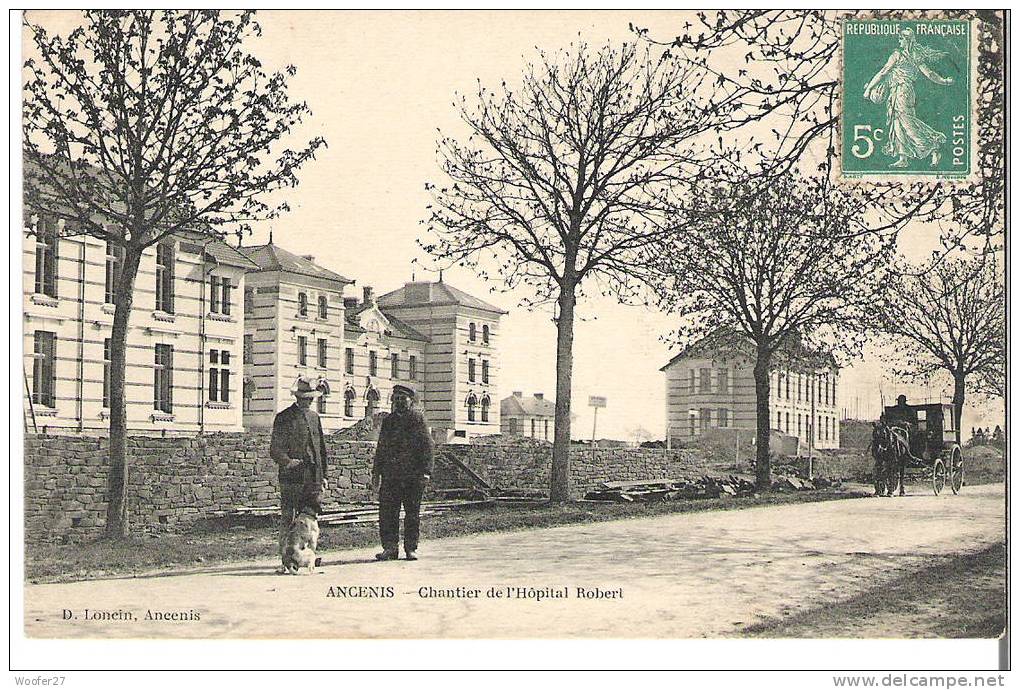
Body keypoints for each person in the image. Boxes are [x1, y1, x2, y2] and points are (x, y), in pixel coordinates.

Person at [863, 28, 954, 168]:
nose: (899, 41)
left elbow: (883, 72)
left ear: (907, 40)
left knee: (907, 123)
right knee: (897, 122)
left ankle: (933, 147)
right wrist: (944, 81)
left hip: (901, 91)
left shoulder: (897, 55)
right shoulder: (915, 55)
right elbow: (929, 74)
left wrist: (869, 89)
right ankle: (903, 157)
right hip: (903, 91)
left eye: (901, 38)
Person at [270, 376, 329, 573]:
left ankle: (308, 555)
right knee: (289, 517)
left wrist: (324, 475)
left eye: (311, 398)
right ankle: (286, 560)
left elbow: (321, 449)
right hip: (292, 478)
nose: (308, 401)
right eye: (305, 398)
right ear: (297, 397)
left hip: (313, 477)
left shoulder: (314, 418)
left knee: (310, 519)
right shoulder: (284, 418)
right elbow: (275, 449)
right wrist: (287, 462)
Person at [372, 384, 434, 561]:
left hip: (413, 477)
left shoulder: (417, 419)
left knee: (412, 513)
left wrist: (426, 472)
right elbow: (381, 448)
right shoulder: (389, 421)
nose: (399, 402)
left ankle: (410, 548)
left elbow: (428, 447)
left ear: (410, 401)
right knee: (387, 513)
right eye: (396, 398)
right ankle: (390, 548)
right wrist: (376, 473)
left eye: (403, 399)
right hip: (391, 476)